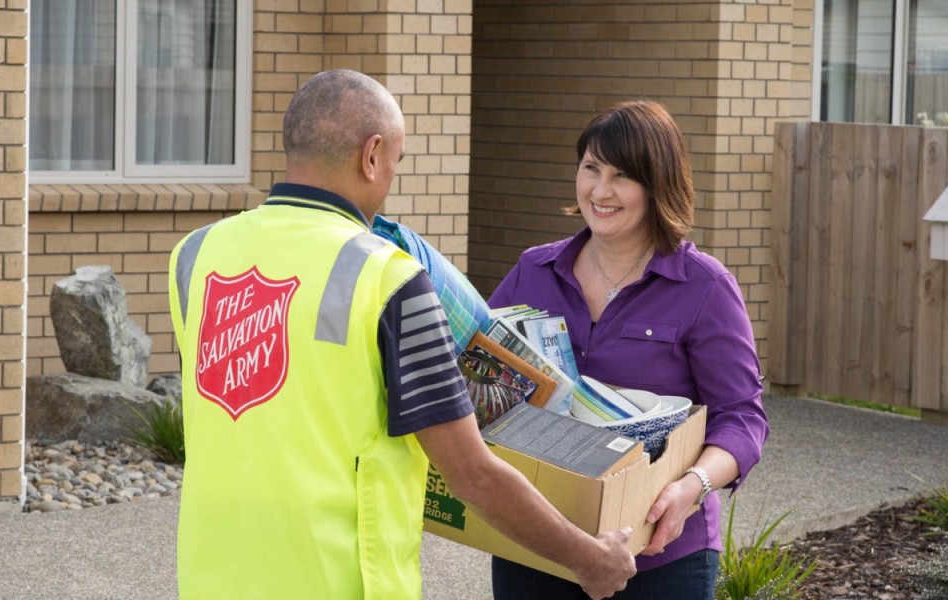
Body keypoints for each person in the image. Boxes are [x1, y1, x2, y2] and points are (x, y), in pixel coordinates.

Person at [166, 69, 636, 600]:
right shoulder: (389, 277)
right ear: (371, 155)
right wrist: (590, 559)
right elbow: (471, 474)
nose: (391, 176)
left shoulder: (195, 255)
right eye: (396, 161)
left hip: (213, 577)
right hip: (339, 582)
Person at [487, 100, 770, 599]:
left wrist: (691, 489)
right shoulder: (533, 272)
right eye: (591, 168)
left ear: (658, 184)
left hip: (660, 551)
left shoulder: (704, 288)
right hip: (539, 540)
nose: (600, 191)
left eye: (622, 176)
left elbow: (742, 420)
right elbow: (478, 375)